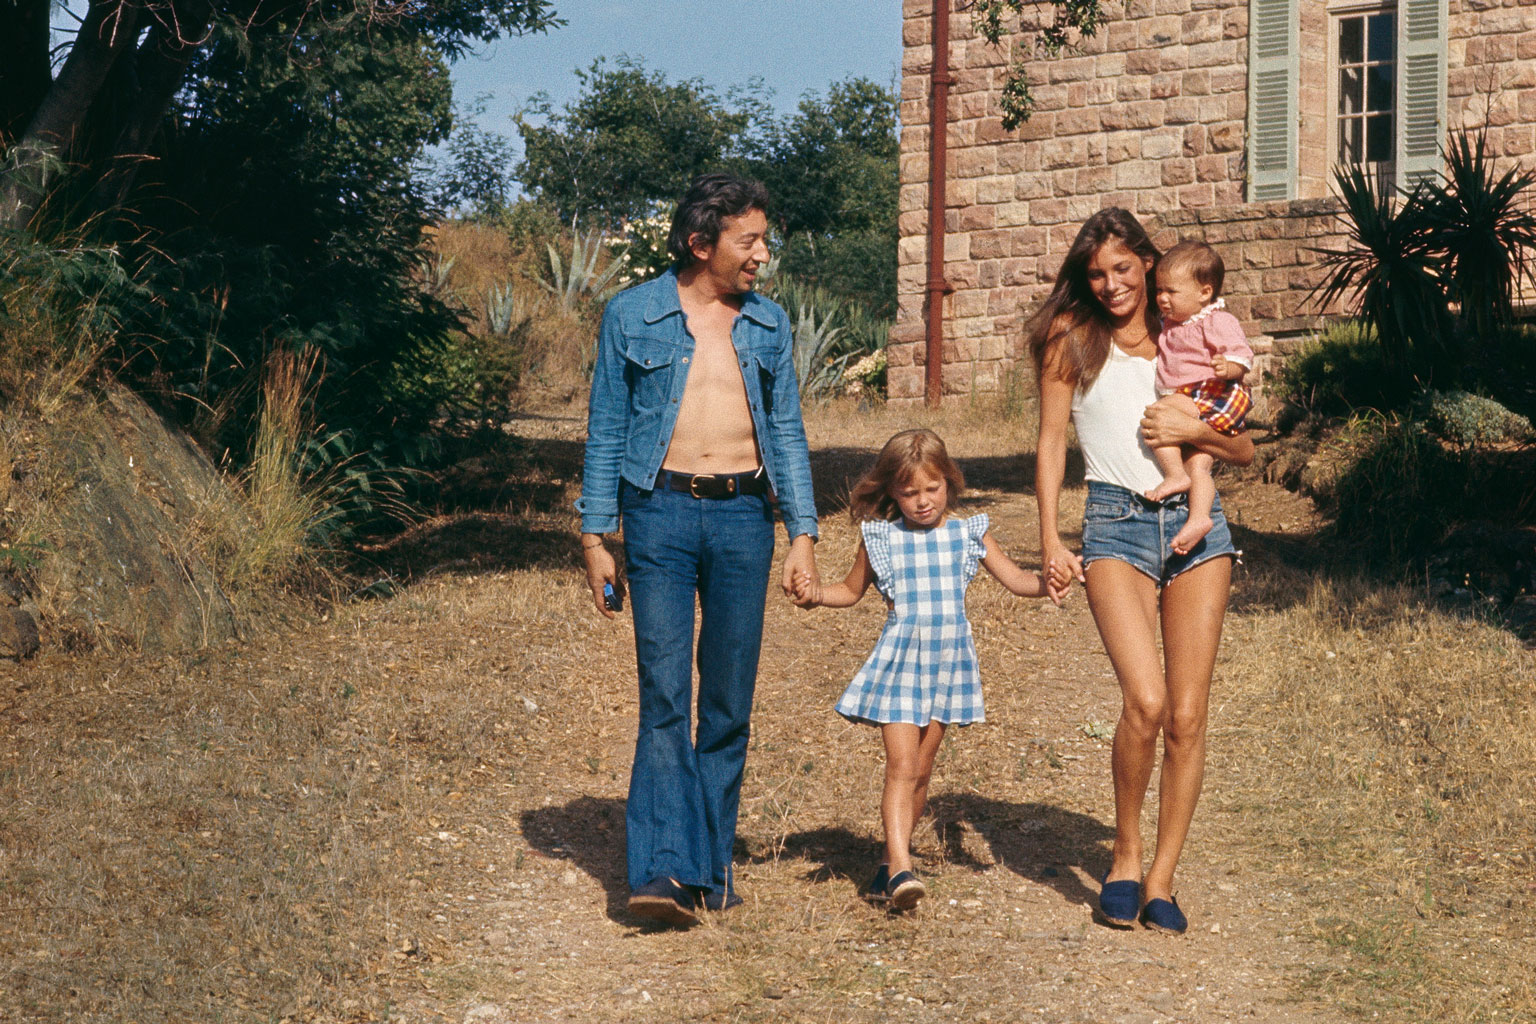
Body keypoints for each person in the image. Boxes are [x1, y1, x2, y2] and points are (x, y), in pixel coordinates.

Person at [576, 173, 820, 928]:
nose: (762, 254)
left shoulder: (768, 324)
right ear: (700, 241)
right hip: (659, 516)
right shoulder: (633, 313)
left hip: (745, 517)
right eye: (749, 240)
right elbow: (607, 427)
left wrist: (802, 533)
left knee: (726, 700)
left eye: (764, 239)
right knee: (664, 694)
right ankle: (658, 872)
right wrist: (594, 533)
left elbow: (785, 432)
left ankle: (710, 868)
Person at [1027, 208, 1253, 935]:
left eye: (1124, 268)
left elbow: (1244, 450)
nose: (1112, 283)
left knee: (1188, 715)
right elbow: (1052, 442)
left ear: (1150, 267)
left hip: (1197, 530)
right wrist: (1051, 539)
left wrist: (1196, 432)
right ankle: (1123, 857)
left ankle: (1161, 879)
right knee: (1146, 703)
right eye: (1097, 273)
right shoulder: (1072, 340)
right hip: (1114, 525)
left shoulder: (1186, 336)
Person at [792, 429, 1051, 909]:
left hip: (947, 665)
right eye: (909, 492)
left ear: (949, 482)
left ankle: (889, 868)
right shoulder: (882, 538)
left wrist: (1053, 582)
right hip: (901, 664)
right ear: (891, 491)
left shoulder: (967, 532)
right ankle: (902, 867)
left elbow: (1017, 580)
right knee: (902, 766)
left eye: (932, 489)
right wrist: (814, 595)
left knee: (923, 771)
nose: (922, 501)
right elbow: (849, 591)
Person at [1143, 240, 1255, 554]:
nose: (1162, 298)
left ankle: (1174, 475)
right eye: (1159, 290)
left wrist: (1229, 366)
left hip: (1209, 393)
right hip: (1198, 399)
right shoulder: (1172, 322)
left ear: (1204, 293)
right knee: (1199, 467)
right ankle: (1200, 517)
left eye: (1171, 292)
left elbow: (1243, 355)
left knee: (1158, 416)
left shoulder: (1215, 320)